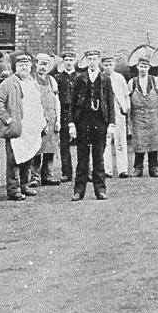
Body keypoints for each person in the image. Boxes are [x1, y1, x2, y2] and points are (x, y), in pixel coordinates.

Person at [0, 52, 47, 201]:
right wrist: (8, 119)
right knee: (13, 159)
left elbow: (38, 104)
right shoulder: (8, 83)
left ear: (31, 67)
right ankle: (13, 189)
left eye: (27, 65)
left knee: (28, 156)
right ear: (16, 67)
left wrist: (42, 122)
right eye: (21, 65)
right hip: (16, 128)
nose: (24, 67)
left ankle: (24, 185)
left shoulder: (33, 83)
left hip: (31, 128)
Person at [69, 49, 115, 200]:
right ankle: (78, 191)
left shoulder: (105, 79)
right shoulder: (79, 79)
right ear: (86, 61)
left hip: (100, 121)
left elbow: (110, 102)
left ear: (98, 61)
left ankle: (100, 190)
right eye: (90, 59)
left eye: (95, 59)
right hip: (83, 121)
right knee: (82, 158)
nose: (92, 62)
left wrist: (111, 124)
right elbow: (72, 103)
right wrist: (71, 123)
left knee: (98, 158)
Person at [128, 55, 158, 177]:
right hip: (137, 115)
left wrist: (155, 109)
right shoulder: (132, 82)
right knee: (139, 141)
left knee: (153, 141)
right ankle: (138, 168)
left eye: (145, 66)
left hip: (153, 115)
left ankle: (153, 168)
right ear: (137, 67)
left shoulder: (155, 80)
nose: (143, 69)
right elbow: (128, 99)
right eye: (141, 66)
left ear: (149, 67)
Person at [29, 53, 62, 186]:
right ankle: (34, 177)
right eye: (41, 64)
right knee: (37, 149)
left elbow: (57, 101)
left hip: (52, 118)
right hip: (37, 119)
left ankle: (48, 175)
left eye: (46, 64)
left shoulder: (52, 80)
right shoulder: (31, 80)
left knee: (50, 148)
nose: (43, 67)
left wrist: (58, 120)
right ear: (36, 64)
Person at [101, 54, 131, 179]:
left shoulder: (119, 78)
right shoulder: (100, 78)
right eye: (106, 65)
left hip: (118, 112)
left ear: (114, 65)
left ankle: (122, 170)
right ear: (102, 65)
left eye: (110, 64)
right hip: (105, 114)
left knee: (120, 142)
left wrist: (126, 107)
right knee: (106, 142)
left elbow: (126, 94)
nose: (108, 67)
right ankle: (107, 170)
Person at [53, 51, 77, 182]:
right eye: (66, 60)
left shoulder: (80, 77)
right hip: (63, 113)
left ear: (74, 61)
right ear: (63, 62)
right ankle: (66, 172)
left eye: (71, 59)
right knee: (64, 145)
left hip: (78, 114)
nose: (68, 62)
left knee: (83, 144)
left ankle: (83, 172)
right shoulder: (58, 78)